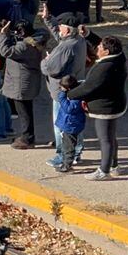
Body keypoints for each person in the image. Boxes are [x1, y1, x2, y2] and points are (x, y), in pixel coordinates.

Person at [68, 36, 127, 179]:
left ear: (107, 52)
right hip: (116, 104)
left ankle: (104, 171)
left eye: (100, 47)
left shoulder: (104, 68)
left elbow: (89, 87)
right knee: (111, 137)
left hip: (105, 108)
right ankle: (114, 166)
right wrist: (89, 34)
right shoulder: (119, 58)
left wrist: (70, 94)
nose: (97, 48)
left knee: (105, 139)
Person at [41, 15, 88, 168]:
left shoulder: (65, 47)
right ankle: (76, 152)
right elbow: (59, 37)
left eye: (60, 26)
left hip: (63, 92)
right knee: (76, 125)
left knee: (61, 126)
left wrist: (45, 61)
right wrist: (48, 19)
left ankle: (62, 155)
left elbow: (51, 69)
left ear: (67, 30)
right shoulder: (79, 40)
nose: (58, 29)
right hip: (77, 87)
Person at [0, 20, 45, 149]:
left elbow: (5, 51)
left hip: (21, 84)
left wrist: (3, 35)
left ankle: (27, 138)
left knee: (24, 113)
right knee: (26, 111)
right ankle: (27, 136)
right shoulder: (35, 41)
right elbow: (43, 32)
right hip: (28, 82)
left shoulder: (23, 47)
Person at [53, 76, 87, 173]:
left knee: (68, 146)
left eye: (62, 87)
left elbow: (69, 109)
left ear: (67, 88)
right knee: (67, 145)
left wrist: (62, 95)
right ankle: (67, 162)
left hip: (70, 125)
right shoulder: (77, 91)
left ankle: (66, 166)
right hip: (71, 124)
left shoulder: (76, 97)